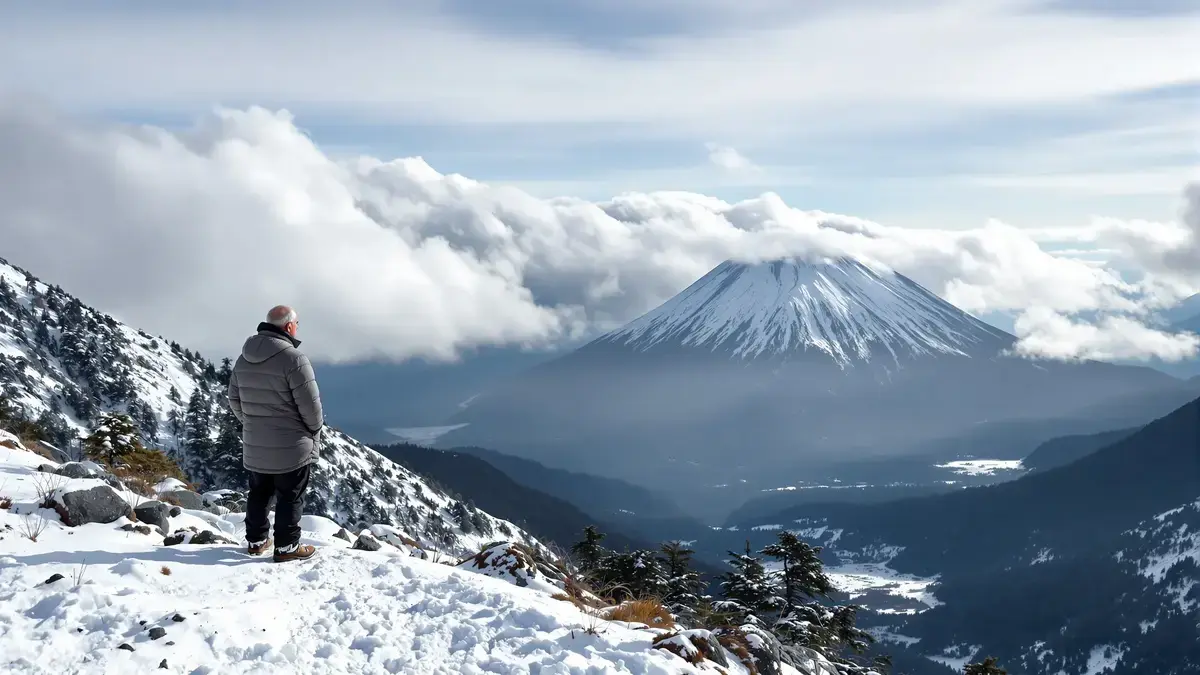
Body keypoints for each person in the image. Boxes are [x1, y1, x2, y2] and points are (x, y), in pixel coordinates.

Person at [228, 305, 323, 562]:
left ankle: (256, 541)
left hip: (256, 442)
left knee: (259, 492)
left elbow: (234, 398)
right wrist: (312, 430)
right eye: (297, 324)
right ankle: (287, 546)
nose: (297, 328)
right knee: (290, 495)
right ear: (289, 326)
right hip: (292, 444)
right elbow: (311, 408)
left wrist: (252, 424)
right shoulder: (294, 359)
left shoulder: (243, 358)